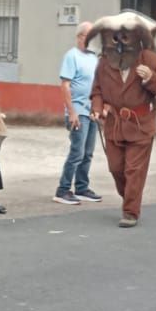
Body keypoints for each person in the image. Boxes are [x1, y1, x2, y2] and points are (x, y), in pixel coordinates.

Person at [89, 12, 156, 227]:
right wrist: (97, 109)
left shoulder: (149, 59)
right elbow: (96, 90)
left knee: (134, 170)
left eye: (125, 37)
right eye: (115, 37)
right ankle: (129, 196)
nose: (119, 42)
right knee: (116, 168)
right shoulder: (104, 63)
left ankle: (130, 212)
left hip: (141, 125)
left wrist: (151, 78)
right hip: (114, 125)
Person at [54, 23, 102, 206]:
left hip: (91, 111)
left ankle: (81, 188)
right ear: (80, 37)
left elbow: (97, 85)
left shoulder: (93, 58)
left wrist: (99, 108)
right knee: (77, 152)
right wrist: (71, 112)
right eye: (89, 36)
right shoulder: (71, 56)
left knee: (88, 153)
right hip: (78, 111)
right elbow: (65, 85)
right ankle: (63, 190)